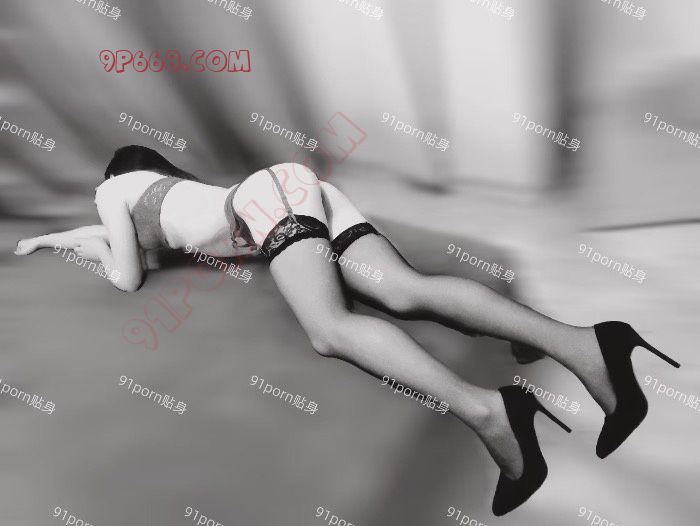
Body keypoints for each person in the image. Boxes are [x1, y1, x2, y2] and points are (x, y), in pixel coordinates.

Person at [14, 145, 680, 515]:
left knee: (329, 329)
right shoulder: (161, 191)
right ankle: (588, 345)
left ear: (114, 176)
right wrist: (48, 240)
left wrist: (90, 248)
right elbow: (101, 233)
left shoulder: (113, 190)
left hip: (265, 200)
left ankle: (492, 413)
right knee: (405, 290)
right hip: (289, 189)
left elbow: (126, 273)